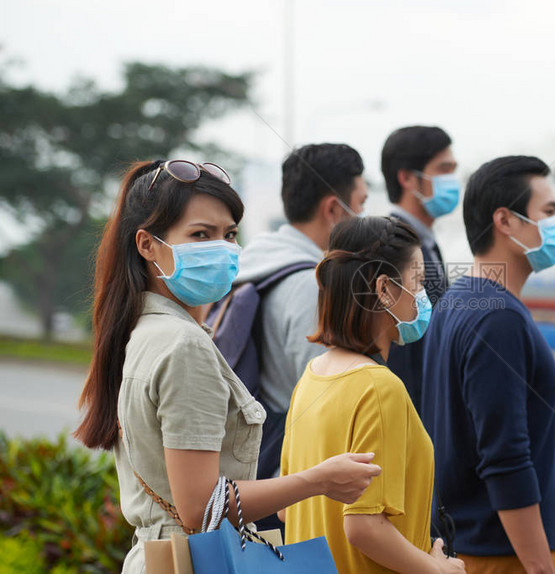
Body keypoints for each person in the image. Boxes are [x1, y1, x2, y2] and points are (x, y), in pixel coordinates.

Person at [74, 160, 380, 574]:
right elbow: (202, 508)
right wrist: (318, 480)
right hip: (194, 560)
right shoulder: (183, 345)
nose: (220, 247)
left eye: (229, 234)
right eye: (200, 234)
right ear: (146, 244)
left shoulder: (145, 329)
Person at [278, 216, 466, 574]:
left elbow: (289, 508)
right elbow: (364, 527)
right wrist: (437, 569)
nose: (423, 296)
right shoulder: (379, 388)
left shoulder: (312, 377)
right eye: (418, 282)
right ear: (383, 289)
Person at [421, 156, 555, 573]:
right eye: (549, 212)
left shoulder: (456, 300)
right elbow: (505, 460)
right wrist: (540, 567)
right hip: (502, 556)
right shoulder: (498, 318)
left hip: (463, 545)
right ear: (506, 221)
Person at [235, 143, 367, 486]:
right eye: (361, 204)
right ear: (333, 209)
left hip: (254, 460)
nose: (363, 217)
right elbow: (327, 405)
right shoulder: (312, 285)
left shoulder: (254, 264)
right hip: (289, 475)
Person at [382, 126, 458, 409]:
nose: (453, 179)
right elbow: (401, 348)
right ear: (407, 178)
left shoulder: (426, 242)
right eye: (444, 169)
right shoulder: (392, 247)